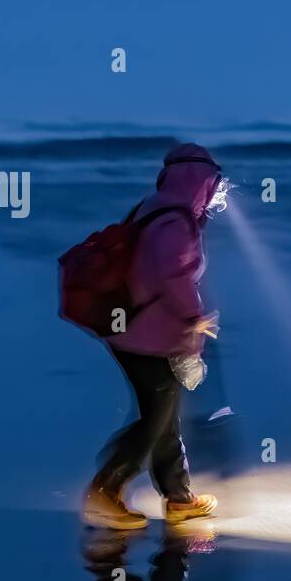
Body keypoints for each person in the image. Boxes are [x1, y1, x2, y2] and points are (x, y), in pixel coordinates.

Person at [84, 143, 226, 530]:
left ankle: (179, 499)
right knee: (158, 416)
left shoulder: (154, 206)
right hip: (143, 334)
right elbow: (170, 275)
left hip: (133, 328)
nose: (216, 192)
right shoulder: (174, 220)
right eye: (212, 183)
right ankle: (105, 491)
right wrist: (193, 318)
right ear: (200, 182)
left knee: (164, 414)